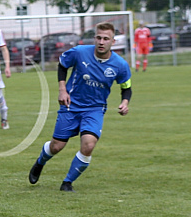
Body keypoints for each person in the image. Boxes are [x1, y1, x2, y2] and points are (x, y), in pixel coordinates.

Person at [28, 22, 132, 191]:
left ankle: (67, 183)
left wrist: (124, 103)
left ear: (113, 42)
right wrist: (62, 90)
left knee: (89, 145)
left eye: (106, 39)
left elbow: (126, 88)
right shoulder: (79, 52)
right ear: (94, 38)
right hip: (71, 105)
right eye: (98, 37)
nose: (101, 41)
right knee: (57, 146)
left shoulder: (120, 65)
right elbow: (62, 65)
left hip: (95, 109)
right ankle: (40, 161)